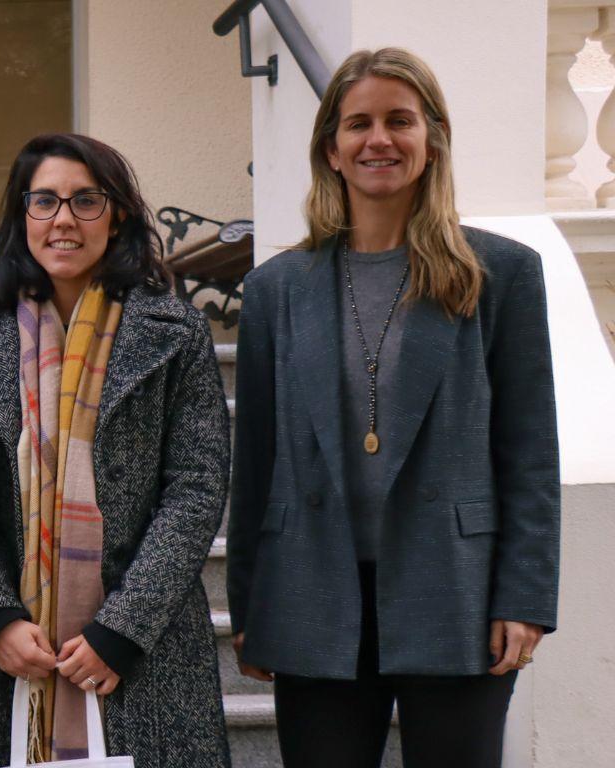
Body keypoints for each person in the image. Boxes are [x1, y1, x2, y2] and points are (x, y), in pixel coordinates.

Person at [228, 48, 559, 768]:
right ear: (331, 149)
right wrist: (249, 601)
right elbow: (254, 460)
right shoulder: (276, 289)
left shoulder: (500, 274)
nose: (379, 139)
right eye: (359, 124)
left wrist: (525, 597)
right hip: (313, 591)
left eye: (399, 121)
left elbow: (529, 453)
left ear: (432, 139)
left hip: (459, 591)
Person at [0, 133, 231, 767]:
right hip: (15, 658)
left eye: (86, 200)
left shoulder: (176, 334)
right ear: (22, 216)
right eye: (44, 201)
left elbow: (197, 488)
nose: (64, 219)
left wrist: (121, 628)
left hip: (144, 652)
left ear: (117, 216)